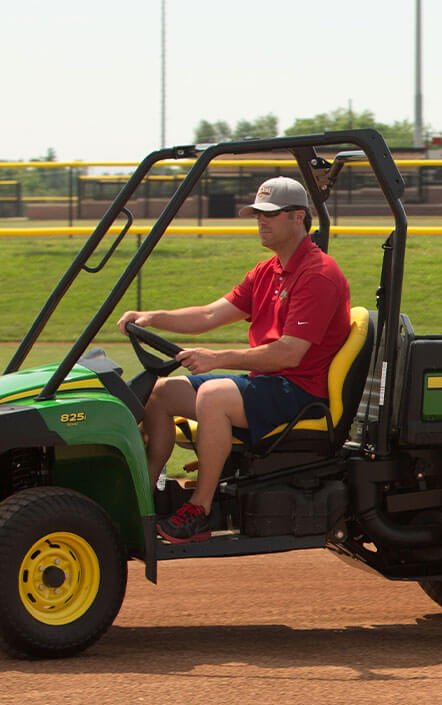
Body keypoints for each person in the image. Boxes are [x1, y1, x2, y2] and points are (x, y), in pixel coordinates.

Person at [118, 176, 351, 543]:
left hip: (300, 392)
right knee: (162, 392)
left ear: (297, 217)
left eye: (270, 214)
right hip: (269, 384)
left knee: (214, 396)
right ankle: (143, 497)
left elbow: (289, 353)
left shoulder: (318, 275)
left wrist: (217, 358)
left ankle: (200, 509)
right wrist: (152, 317)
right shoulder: (266, 271)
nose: (261, 221)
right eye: (258, 213)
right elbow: (210, 315)